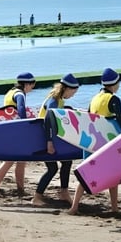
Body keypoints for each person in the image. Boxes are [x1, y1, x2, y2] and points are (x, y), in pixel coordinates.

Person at [68, 68, 121, 214]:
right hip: (106, 142)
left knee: (85, 173)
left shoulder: (94, 98)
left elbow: (88, 117)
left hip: (90, 141)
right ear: (115, 84)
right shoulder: (113, 99)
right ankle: (114, 208)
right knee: (113, 173)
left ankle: (74, 206)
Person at [0, 72, 37, 198]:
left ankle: (20, 190)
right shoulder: (20, 94)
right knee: (9, 162)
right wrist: (26, 125)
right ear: (27, 84)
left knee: (21, 162)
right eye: (32, 85)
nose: (32, 88)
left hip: (9, 130)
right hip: (17, 131)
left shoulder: (10, 92)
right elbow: (21, 109)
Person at [31, 73, 80, 206]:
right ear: (67, 89)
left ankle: (64, 192)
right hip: (44, 138)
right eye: (73, 92)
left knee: (66, 162)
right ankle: (37, 197)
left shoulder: (57, 99)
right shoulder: (54, 100)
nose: (73, 95)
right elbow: (48, 121)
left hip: (50, 137)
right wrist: (49, 142)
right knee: (52, 168)